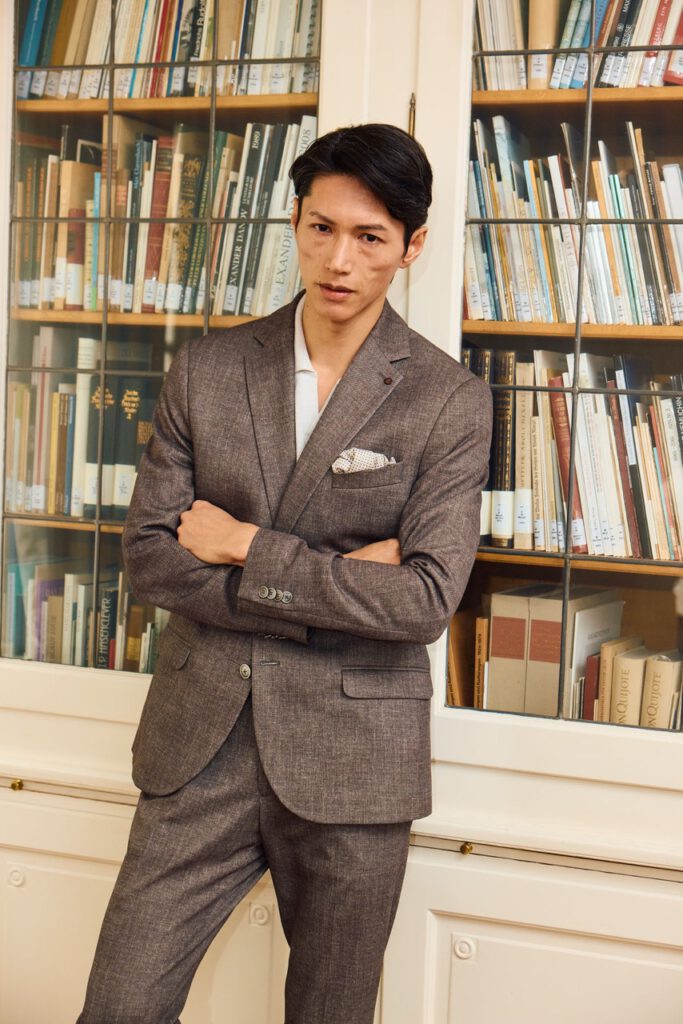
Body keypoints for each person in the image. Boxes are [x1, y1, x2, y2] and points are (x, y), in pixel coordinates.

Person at [77, 122, 492, 1024]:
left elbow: (423, 599)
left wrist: (243, 546)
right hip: (199, 747)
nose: (338, 259)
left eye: (369, 237)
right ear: (295, 223)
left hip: (354, 760)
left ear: (411, 245)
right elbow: (151, 557)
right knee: (119, 1006)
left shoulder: (448, 400)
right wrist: (340, 583)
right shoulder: (209, 368)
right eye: (320, 228)